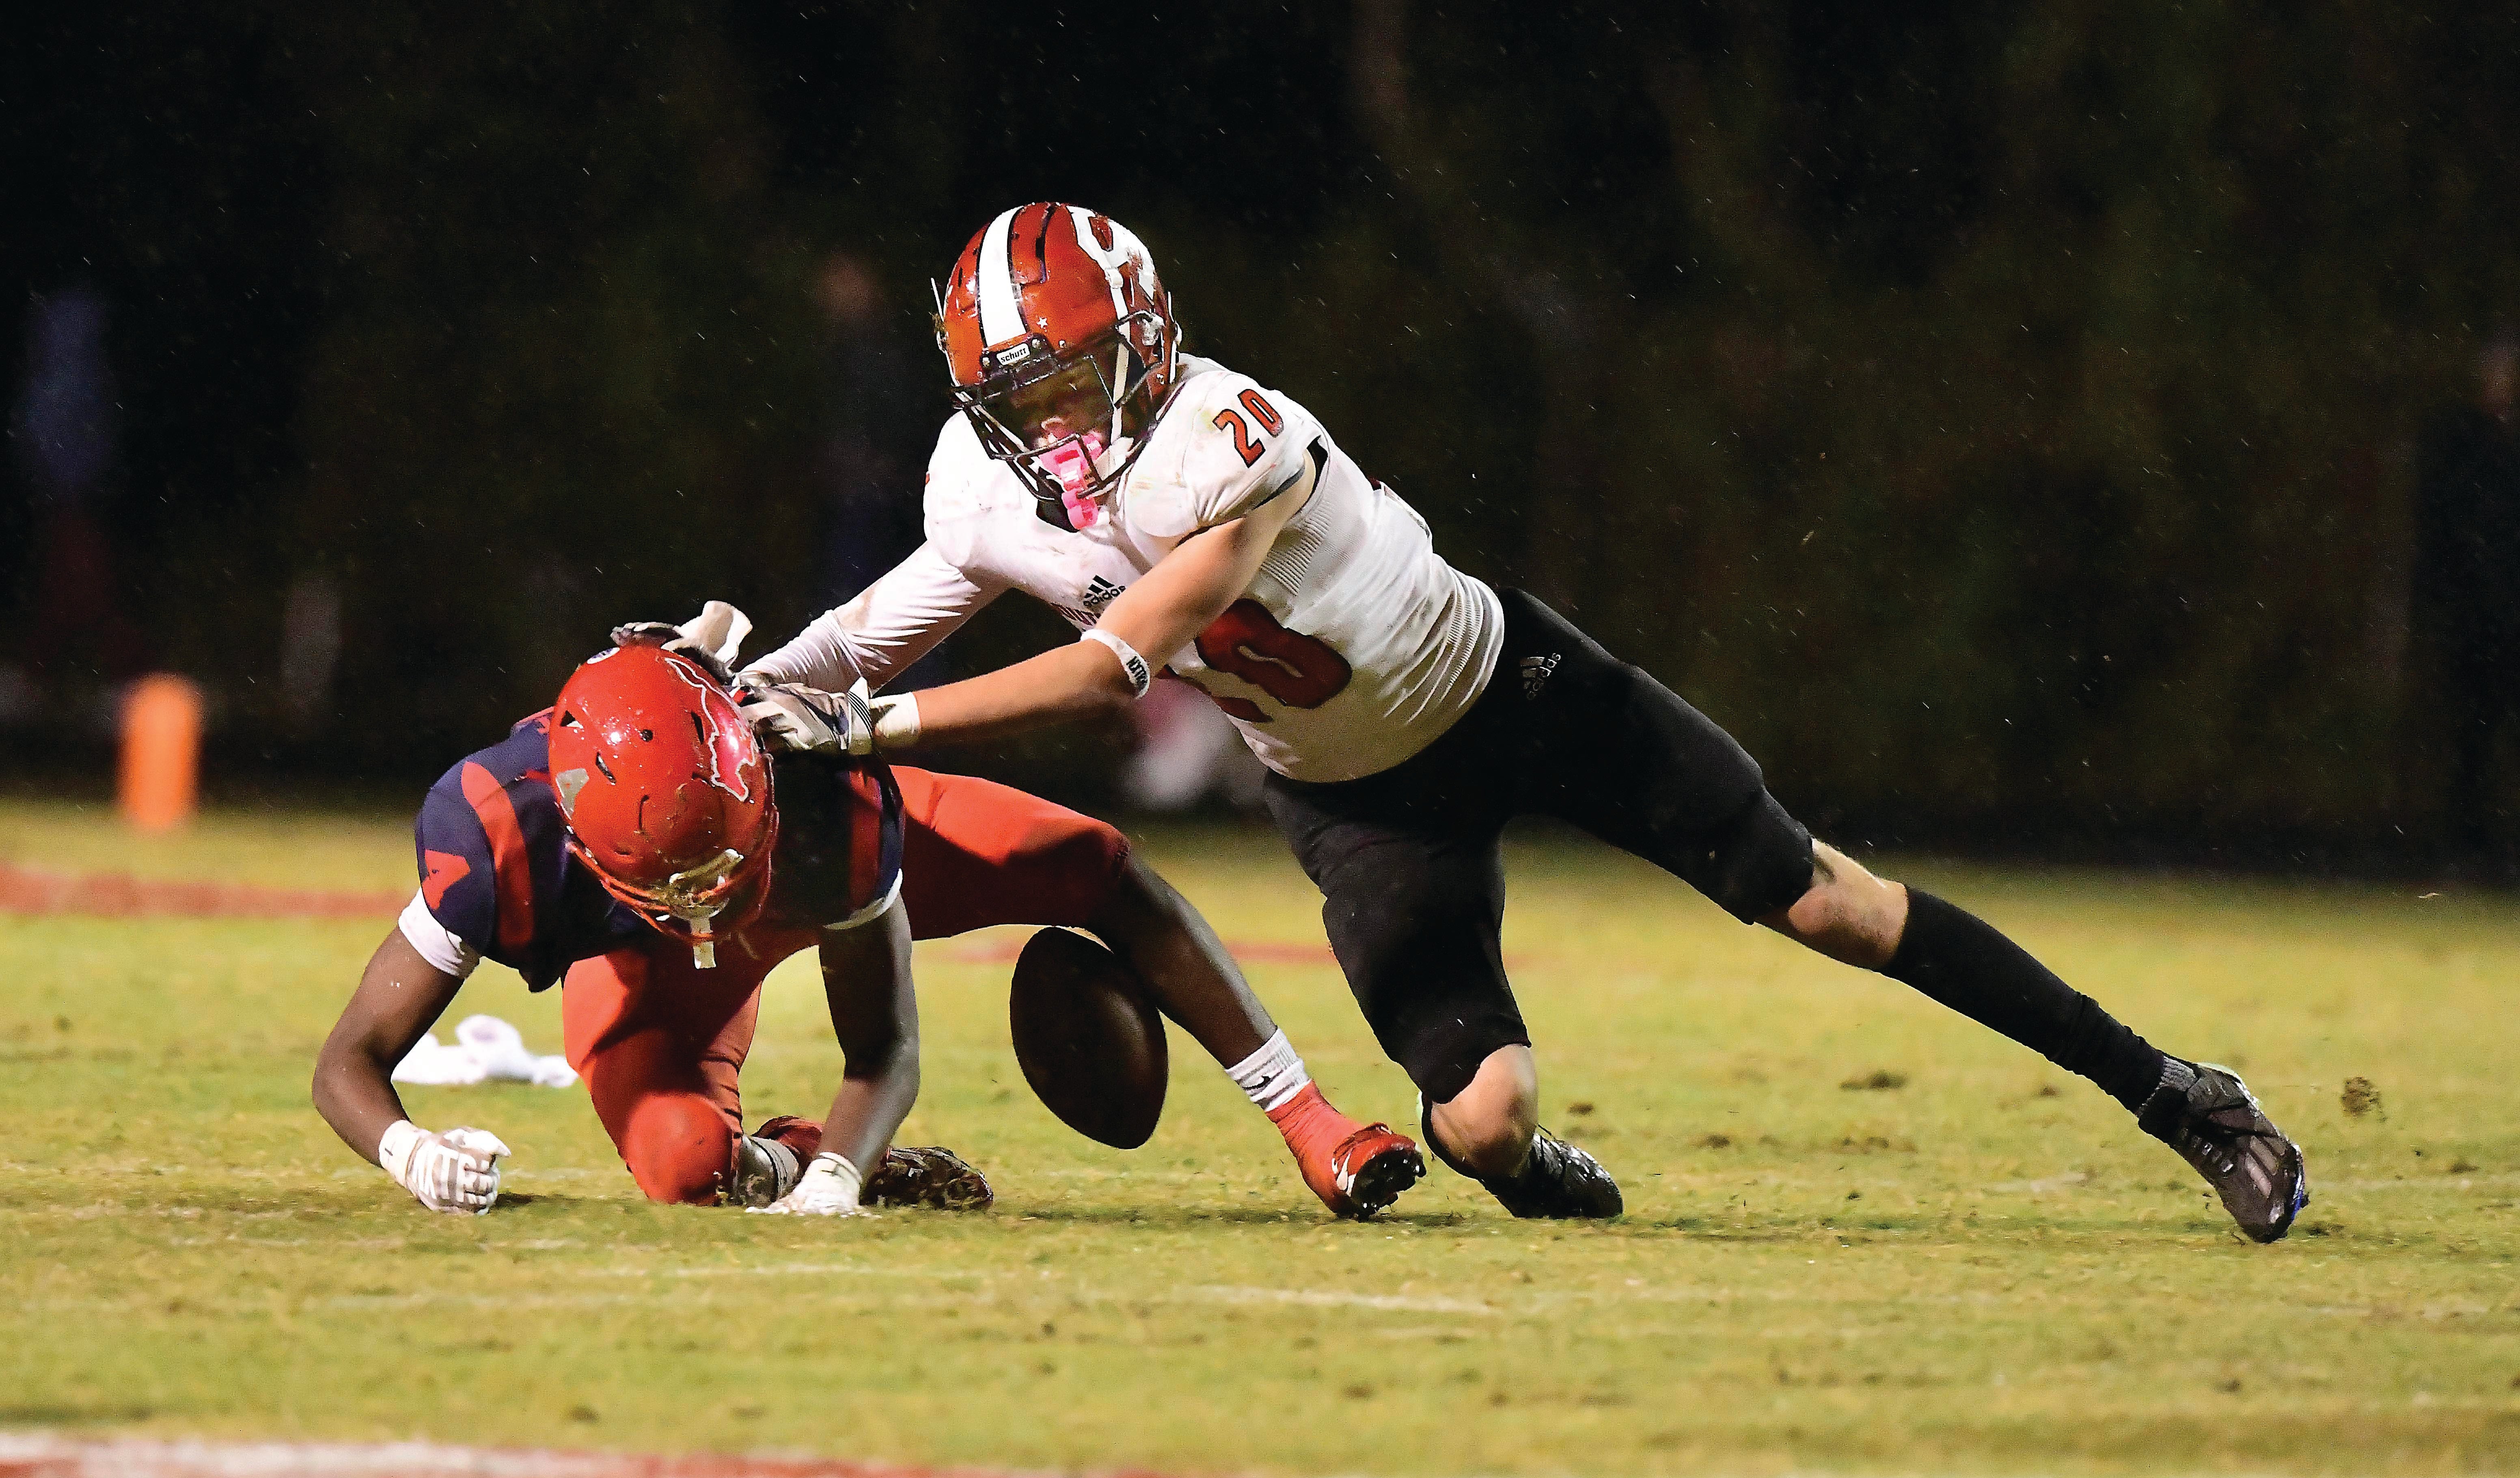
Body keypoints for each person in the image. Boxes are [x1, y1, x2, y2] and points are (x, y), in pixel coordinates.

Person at [735, 202, 2310, 1240]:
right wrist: (751, 689)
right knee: (1480, 1124)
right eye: (1029, 402)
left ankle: (2176, 1091)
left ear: (1145, 340)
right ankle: (1541, 1181)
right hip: (1355, 803)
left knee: (1828, 900)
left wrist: (865, 728)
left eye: (1080, 382)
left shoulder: (1236, 438)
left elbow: (1115, 666)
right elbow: (889, 614)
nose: (1059, 428)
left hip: (1513, 693)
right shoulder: (976, 482)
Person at [312, 609, 1422, 1218]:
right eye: (679, 887)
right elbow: (350, 1062)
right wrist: (410, 1153)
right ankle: (800, 1153)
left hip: (802, 867)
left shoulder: (816, 798)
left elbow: (882, 1043)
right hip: (646, 970)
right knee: (684, 1164)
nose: (713, 907)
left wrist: (838, 1183)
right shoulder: (497, 832)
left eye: (721, 866)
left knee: (1089, 859)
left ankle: (1314, 1125)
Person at [2411, 331, 2520, 861]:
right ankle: (2467, 839)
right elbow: (2443, 523)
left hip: (2509, 607)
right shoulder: (2461, 439)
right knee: (2473, 729)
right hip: (2478, 611)